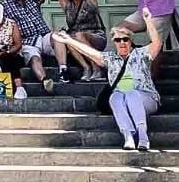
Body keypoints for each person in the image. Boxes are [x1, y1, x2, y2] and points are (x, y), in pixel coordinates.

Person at [53, 9, 164, 151]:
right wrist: (68, 40)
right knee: (115, 97)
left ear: (131, 41)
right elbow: (90, 52)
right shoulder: (111, 59)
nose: (122, 43)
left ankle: (142, 136)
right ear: (114, 43)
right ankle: (128, 136)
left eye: (125, 39)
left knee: (131, 94)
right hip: (122, 99)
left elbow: (157, 44)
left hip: (146, 98)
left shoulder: (141, 54)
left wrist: (148, 20)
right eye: (118, 40)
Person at [44, 0, 108, 81]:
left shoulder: (89, 2)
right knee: (65, 36)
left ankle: (96, 67)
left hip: (96, 37)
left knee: (77, 35)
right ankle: (86, 67)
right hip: (77, 40)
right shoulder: (68, 6)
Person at [1, 0, 56, 93]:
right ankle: (45, 80)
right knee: (34, 58)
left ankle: (63, 70)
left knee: (58, 37)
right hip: (27, 41)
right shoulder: (5, 6)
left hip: (44, 35)